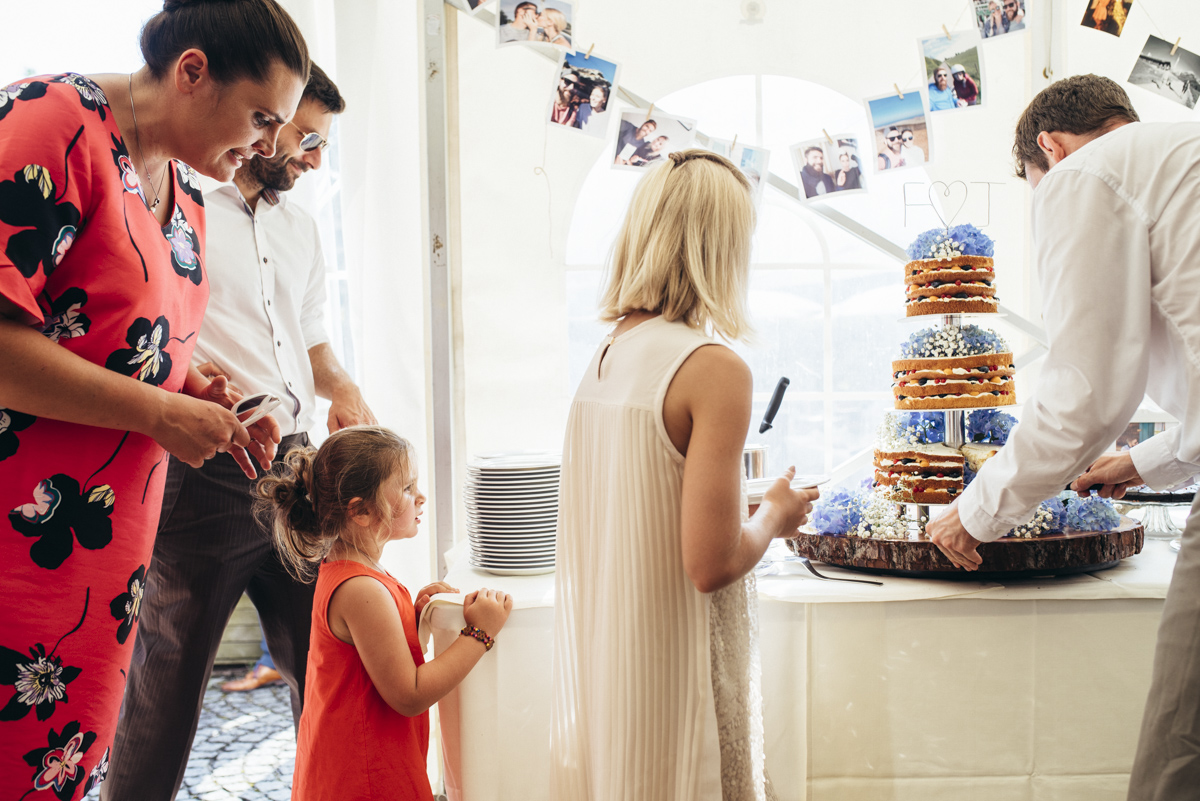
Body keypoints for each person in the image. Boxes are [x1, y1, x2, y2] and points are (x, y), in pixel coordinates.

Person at [0, 0, 306, 796]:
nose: (269, 145)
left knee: (68, 764)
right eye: (263, 116)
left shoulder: (190, 192)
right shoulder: (51, 122)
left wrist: (201, 388)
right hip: (19, 540)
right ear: (192, 72)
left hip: (106, 558)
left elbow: (129, 339)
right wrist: (159, 412)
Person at [921, 73, 1200, 800]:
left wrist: (975, 510)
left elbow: (1084, 390)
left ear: (1049, 147)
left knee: (1183, 738)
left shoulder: (1082, 178)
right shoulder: (1178, 155)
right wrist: (1141, 460)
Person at [101, 63, 372, 801]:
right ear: (268, 117)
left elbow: (309, 338)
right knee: (169, 674)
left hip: (300, 467)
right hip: (205, 468)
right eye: (308, 137)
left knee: (326, 661)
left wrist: (341, 385)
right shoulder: (180, 205)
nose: (316, 158)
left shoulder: (301, 228)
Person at [550, 149, 819, 800]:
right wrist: (776, 514)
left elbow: (638, 495)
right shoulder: (714, 368)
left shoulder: (608, 354)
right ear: (722, 249)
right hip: (680, 666)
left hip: (616, 662)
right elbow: (712, 562)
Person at [258, 426, 512, 800]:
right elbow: (408, 693)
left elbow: (372, 666)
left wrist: (415, 620)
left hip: (352, 764)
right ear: (361, 510)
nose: (420, 497)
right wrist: (480, 634)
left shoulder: (354, 570)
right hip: (365, 776)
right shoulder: (362, 589)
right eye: (407, 488)